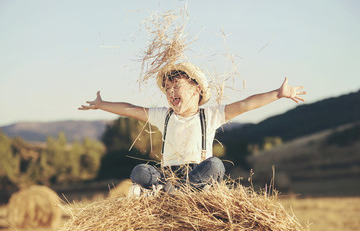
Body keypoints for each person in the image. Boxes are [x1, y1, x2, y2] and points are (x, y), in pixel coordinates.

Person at [79, 62, 306, 195]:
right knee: (139, 171)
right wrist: (102, 105)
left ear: (197, 89)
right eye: (166, 89)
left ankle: (177, 195)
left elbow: (246, 104)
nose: (170, 92)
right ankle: (169, 192)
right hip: (168, 178)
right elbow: (130, 109)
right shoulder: (163, 116)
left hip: (198, 175)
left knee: (216, 164)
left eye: (176, 85)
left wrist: (278, 94)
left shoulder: (211, 115)